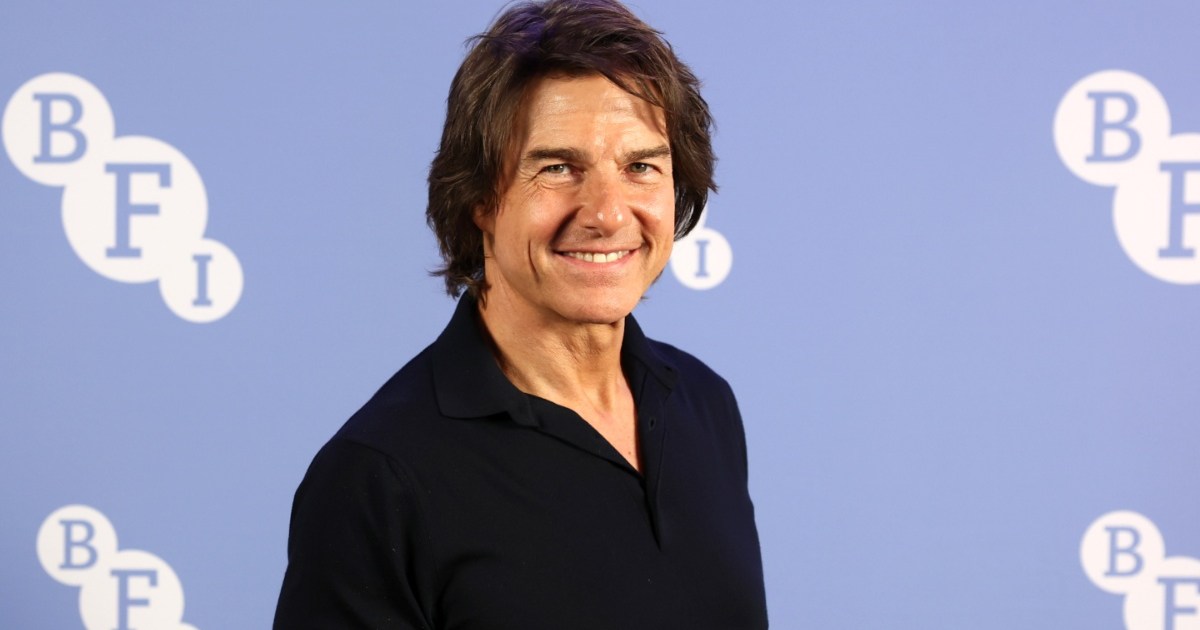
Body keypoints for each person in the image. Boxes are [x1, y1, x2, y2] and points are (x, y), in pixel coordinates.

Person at [273, 0, 767, 627]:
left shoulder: (703, 403)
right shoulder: (378, 478)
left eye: (640, 167)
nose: (607, 213)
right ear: (479, 197)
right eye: (558, 168)